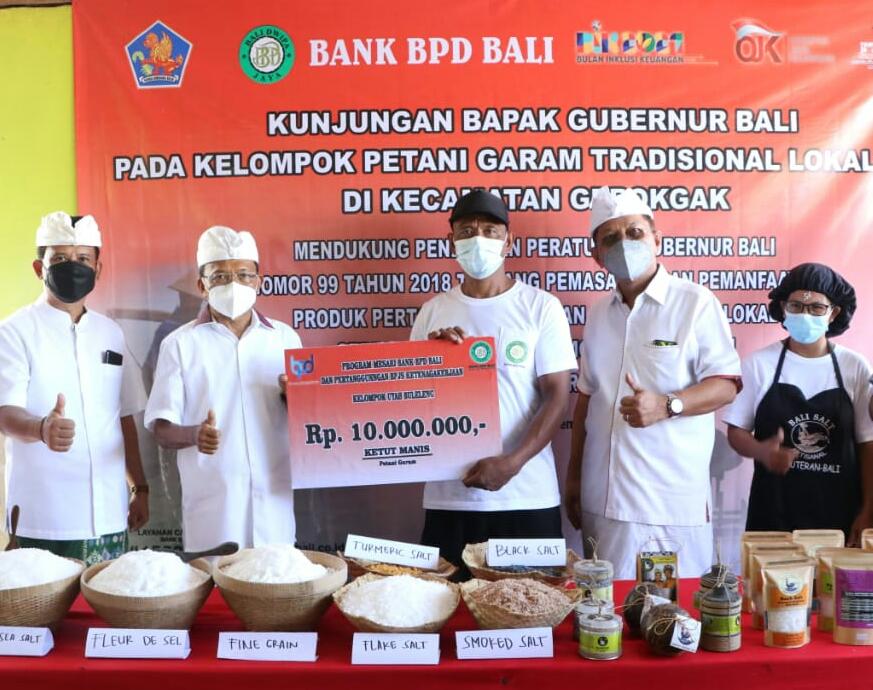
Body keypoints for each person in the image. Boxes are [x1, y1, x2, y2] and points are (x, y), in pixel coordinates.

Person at [564, 187, 740, 578]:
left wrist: (667, 405)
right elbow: (587, 399)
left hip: (667, 503)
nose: (624, 244)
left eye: (635, 232)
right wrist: (574, 476)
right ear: (597, 256)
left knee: (669, 611)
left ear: (656, 240)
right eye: (610, 238)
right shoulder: (598, 314)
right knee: (605, 608)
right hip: (601, 501)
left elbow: (726, 384)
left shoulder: (694, 302)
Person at [410, 189, 577, 568]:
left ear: (509, 242)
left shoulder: (540, 307)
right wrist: (433, 360)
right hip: (450, 497)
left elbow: (556, 397)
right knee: (446, 599)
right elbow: (414, 400)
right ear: (451, 241)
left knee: (530, 599)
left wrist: (512, 463)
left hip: (527, 495)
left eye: (490, 231)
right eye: (467, 231)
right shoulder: (432, 312)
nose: (478, 240)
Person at [0, 212, 148, 563]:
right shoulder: (14, 332)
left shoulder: (111, 333)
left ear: (98, 269)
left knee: (105, 596)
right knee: (44, 599)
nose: (73, 266)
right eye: (60, 259)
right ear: (39, 268)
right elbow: (5, 413)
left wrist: (139, 487)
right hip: (44, 515)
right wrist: (41, 428)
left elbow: (123, 416)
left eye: (83, 258)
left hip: (110, 513)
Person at [145, 226, 301, 551]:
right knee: (216, 579)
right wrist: (194, 435)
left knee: (275, 578)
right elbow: (161, 428)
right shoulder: (180, 344)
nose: (233, 284)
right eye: (220, 276)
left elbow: (308, 419)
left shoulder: (285, 339)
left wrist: (295, 400)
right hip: (214, 508)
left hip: (273, 501)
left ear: (259, 282)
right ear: (201, 286)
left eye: (244, 275)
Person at [724, 263, 873, 544]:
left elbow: (868, 444)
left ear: (833, 313)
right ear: (783, 308)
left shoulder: (854, 366)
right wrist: (762, 451)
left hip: (840, 516)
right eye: (796, 306)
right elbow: (736, 431)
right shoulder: (760, 364)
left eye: (816, 308)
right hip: (774, 514)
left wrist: (868, 510)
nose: (805, 314)